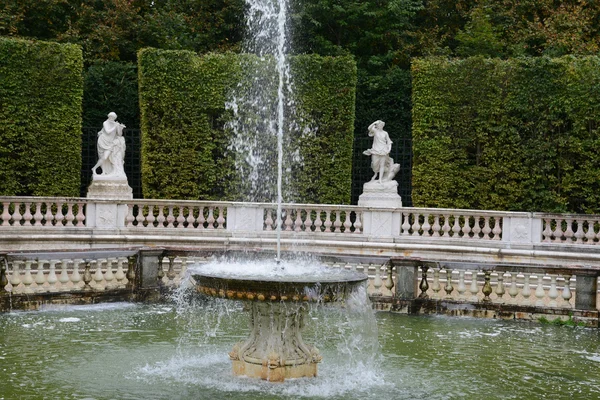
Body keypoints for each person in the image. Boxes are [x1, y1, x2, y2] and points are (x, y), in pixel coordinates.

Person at [91, 112, 126, 178]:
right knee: (103, 157)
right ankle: (98, 170)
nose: (111, 118)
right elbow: (107, 131)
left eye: (113, 117)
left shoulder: (115, 124)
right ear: (109, 116)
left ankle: (97, 169)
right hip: (103, 141)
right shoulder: (105, 123)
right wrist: (115, 126)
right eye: (110, 117)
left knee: (105, 157)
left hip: (110, 143)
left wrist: (120, 128)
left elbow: (119, 134)